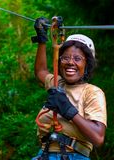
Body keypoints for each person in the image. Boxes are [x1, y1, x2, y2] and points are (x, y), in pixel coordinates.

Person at [31, 17, 107, 160]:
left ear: (87, 65)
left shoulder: (92, 92)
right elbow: (40, 72)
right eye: (65, 58)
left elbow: (98, 137)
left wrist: (68, 110)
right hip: (44, 155)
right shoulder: (57, 83)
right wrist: (42, 40)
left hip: (74, 156)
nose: (70, 63)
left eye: (77, 59)